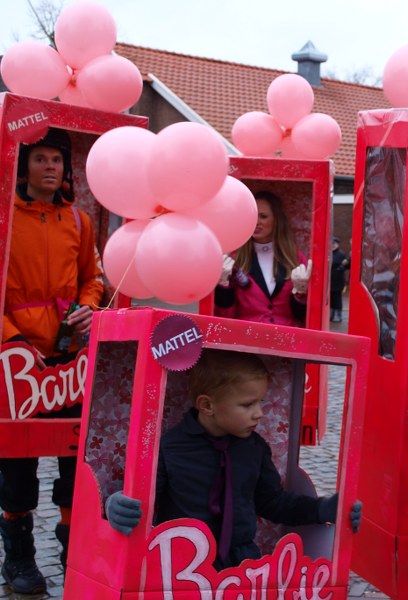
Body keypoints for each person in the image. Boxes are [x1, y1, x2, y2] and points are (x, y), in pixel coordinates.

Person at [105, 349, 362, 570]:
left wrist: (321, 509)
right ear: (207, 405)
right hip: (179, 566)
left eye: (260, 402)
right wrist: (115, 507)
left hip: (242, 566)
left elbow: (272, 502)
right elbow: (143, 503)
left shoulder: (255, 448)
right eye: (248, 405)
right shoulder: (169, 448)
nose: (259, 413)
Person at [0, 128, 104, 594]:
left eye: (57, 161)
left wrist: (88, 307)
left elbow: (93, 278)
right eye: (40, 159)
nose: (50, 167)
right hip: (15, 366)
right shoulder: (3, 218)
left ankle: (74, 553)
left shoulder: (80, 222)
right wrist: (14, 342)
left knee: (73, 461)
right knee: (17, 465)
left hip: (70, 363)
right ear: (24, 167)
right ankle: (18, 559)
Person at [215, 191, 311, 327]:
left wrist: (301, 292)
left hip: (286, 340)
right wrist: (222, 286)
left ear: (277, 220)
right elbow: (223, 316)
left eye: (263, 216)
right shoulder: (234, 259)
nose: (256, 222)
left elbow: (304, 318)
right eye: (252, 216)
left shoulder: (295, 258)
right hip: (246, 338)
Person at [329, 237, 349, 323]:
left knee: (337, 298)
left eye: (334, 244)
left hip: (338, 280)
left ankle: (338, 315)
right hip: (330, 280)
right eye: (332, 244)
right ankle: (331, 315)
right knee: (331, 298)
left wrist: (341, 268)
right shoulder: (329, 253)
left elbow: (346, 264)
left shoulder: (341, 254)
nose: (333, 246)